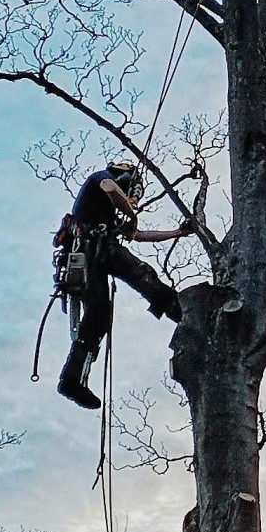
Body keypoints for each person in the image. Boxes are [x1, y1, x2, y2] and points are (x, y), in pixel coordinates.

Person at [58, 159, 190, 410]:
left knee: (100, 315)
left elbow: (138, 236)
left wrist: (177, 233)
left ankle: (71, 378)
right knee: (141, 277)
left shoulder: (109, 214)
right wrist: (130, 208)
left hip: (99, 252)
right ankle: (183, 312)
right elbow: (110, 187)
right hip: (92, 248)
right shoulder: (100, 178)